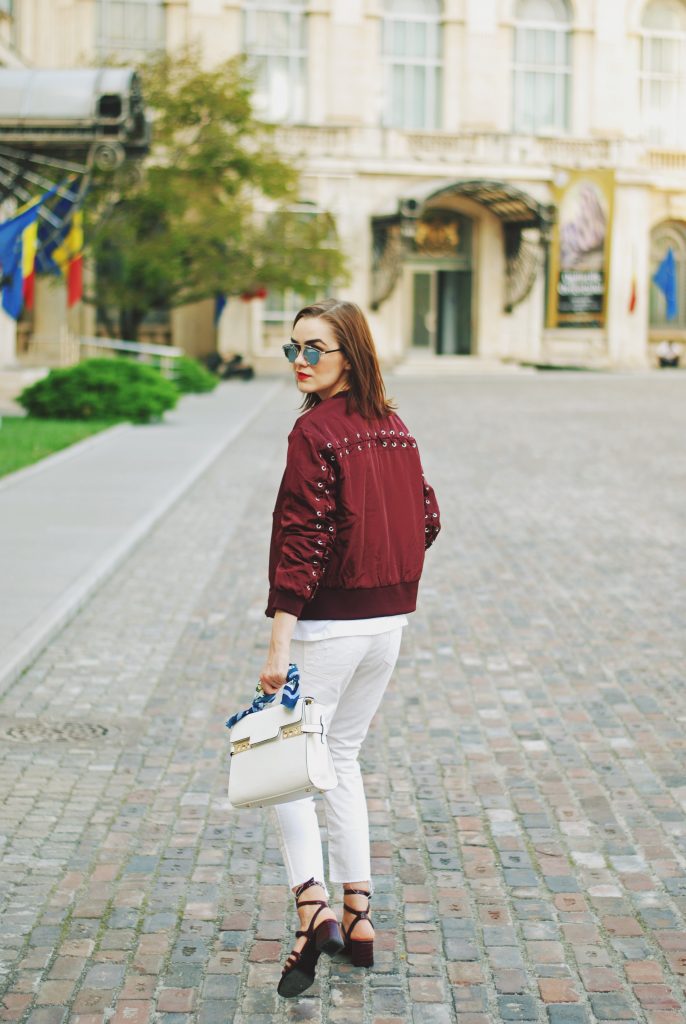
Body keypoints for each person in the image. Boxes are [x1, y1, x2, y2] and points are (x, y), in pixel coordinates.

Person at [259, 299, 440, 998]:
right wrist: (381, 569)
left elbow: (303, 541)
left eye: (315, 349)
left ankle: (314, 911)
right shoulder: (394, 427)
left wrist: (279, 642)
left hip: (329, 628)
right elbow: (427, 517)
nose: (301, 362)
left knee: (284, 766)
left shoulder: (315, 432)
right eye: (293, 349)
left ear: (350, 355)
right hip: (386, 627)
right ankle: (359, 916)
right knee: (339, 758)